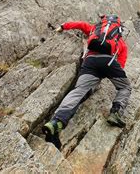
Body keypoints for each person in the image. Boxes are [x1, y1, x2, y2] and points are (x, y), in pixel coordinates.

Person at [42, 14, 131, 149]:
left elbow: (78, 24)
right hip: (108, 62)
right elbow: (121, 64)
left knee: (78, 91)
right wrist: (109, 72)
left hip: (89, 62)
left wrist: (62, 27)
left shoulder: (94, 29)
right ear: (119, 28)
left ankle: (56, 121)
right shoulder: (121, 42)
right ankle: (116, 113)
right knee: (125, 87)